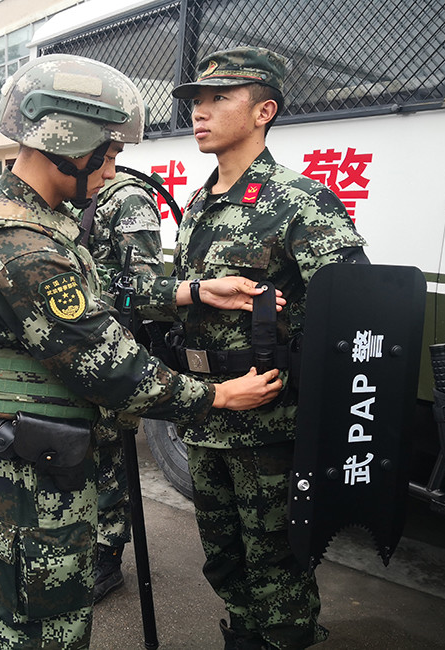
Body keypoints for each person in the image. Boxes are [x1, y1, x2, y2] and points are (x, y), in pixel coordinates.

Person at [0, 53, 286, 650]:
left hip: (31, 446)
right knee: (47, 629)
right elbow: (113, 370)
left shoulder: (16, 222)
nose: (110, 172)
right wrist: (218, 397)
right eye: (106, 156)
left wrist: (197, 289)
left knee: (35, 614)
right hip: (36, 464)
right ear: (69, 144)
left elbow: (104, 296)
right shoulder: (26, 249)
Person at [135, 47, 368, 648]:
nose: (200, 112)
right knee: (223, 554)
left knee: (277, 560)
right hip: (209, 411)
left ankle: (285, 638)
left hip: (268, 422)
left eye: (220, 99)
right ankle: (244, 632)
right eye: (196, 101)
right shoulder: (200, 202)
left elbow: (350, 312)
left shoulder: (300, 201)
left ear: (264, 111)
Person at [79, 172, 166, 603]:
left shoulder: (127, 199)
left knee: (111, 460)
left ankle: (107, 559)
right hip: (73, 354)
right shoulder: (67, 196)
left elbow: (145, 290)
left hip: (112, 353)